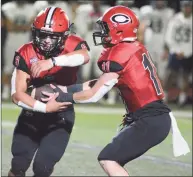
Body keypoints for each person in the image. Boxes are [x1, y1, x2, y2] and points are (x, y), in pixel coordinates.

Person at [40, 6, 190, 176]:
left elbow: (94, 94)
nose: (102, 33)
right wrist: (65, 89)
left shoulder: (120, 53)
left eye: (105, 28)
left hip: (150, 120)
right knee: (110, 158)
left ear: (118, 30)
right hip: (152, 118)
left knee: (109, 159)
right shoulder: (132, 47)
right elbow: (98, 83)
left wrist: (62, 97)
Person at [10, 7, 90, 177]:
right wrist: (45, 108)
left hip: (61, 116)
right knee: (18, 164)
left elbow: (85, 56)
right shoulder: (26, 51)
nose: (46, 41)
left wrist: (53, 61)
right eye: (42, 34)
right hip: (32, 115)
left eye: (53, 36)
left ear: (64, 35)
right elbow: (17, 95)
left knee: (42, 168)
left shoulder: (72, 44)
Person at [163, 0, 192, 106]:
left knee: (185, 76)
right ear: (182, 7)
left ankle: (182, 99)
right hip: (175, 51)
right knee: (169, 75)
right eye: (185, 6)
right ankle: (164, 98)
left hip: (188, 52)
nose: (187, 9)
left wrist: (187, 51)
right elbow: (169, 35)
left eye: (189, 7)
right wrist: (176, 50)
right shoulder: (175, 19)